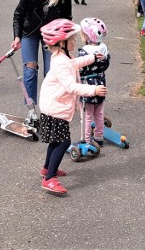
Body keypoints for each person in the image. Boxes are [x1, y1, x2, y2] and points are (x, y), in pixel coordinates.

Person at [38, 19, 107, 195]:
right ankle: (49, 179)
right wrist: (93, 89)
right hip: (55, 108)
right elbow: (71, 86)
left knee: (55, 141)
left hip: (54, 105)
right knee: (63, 142)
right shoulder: (61, 62)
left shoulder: (64, 58)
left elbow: (74, 64)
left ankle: (47, 169)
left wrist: (92, 58)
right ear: (61, 42)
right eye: (72, 38)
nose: (75, 41)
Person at [12, 0, 72, 128]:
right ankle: (31, 109)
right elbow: (18, 15)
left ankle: (51, 108)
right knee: (30, 69)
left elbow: (67, 21)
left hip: (51, 36)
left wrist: (64, 44)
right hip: (29, 32)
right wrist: (17, 36)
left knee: (52, 73)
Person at [78, 17, 110, 145]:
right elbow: (106, 64)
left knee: (86, 115)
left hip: (88, 87)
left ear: (88, 35)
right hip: (101, 84)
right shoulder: (103, 48)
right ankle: (99, 137)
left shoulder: (85, 52)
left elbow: (80, 69)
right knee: (99, 113)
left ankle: (85, 140)